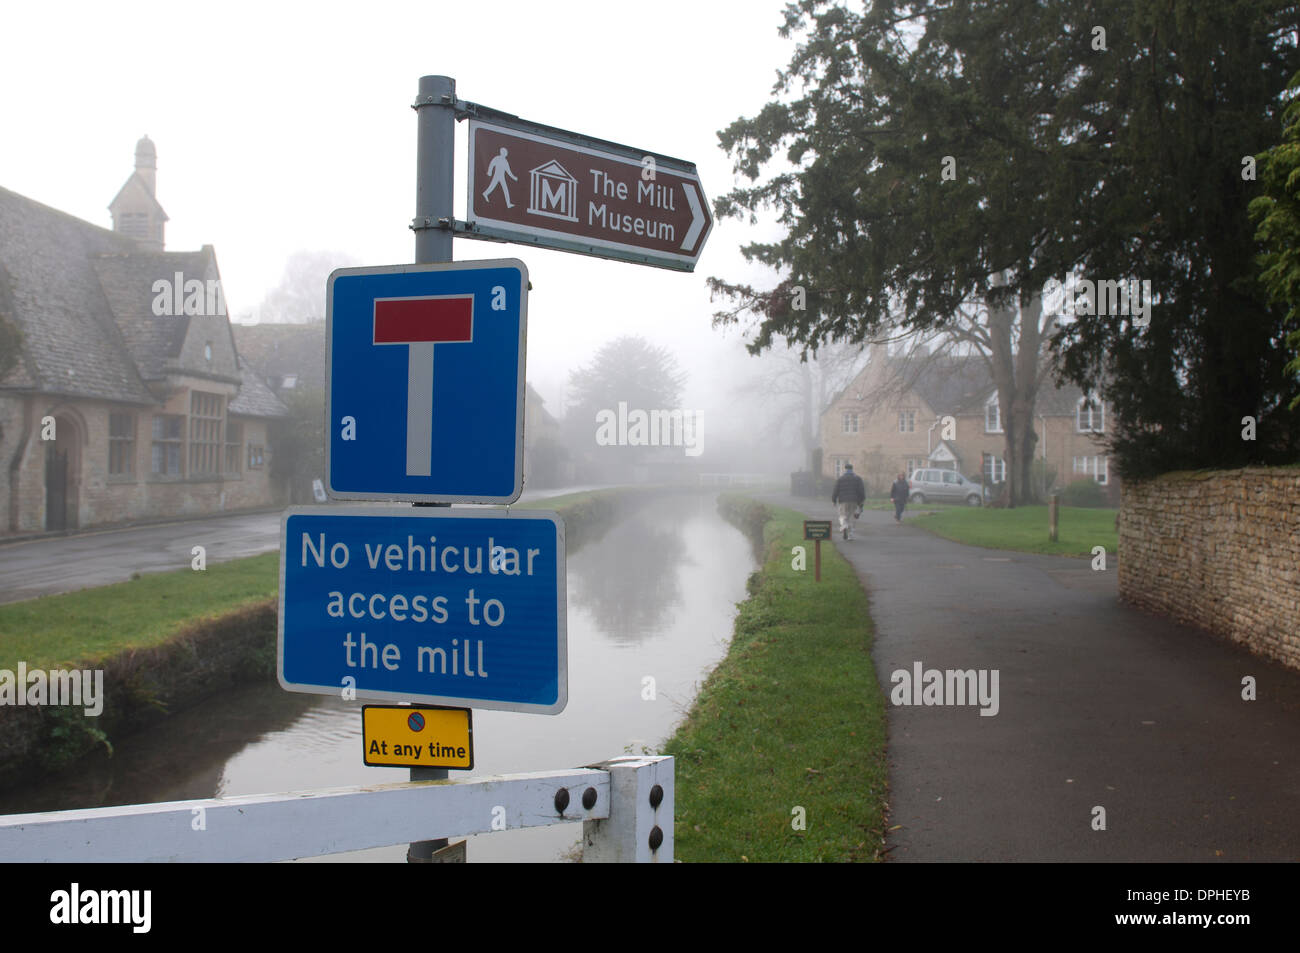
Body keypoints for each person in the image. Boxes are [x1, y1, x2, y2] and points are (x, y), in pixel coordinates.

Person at [831, 463, 867, 540]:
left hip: (843, 501)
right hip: (854, 501)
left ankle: (844, 526)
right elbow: (861, 491)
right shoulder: (858, 478)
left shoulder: (840, 479)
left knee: (842, 516)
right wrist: (861, 501)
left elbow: (836, 490)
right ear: (852, 469)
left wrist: (834, 500)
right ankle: (850, 535)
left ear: (845, 469)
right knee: (852, 518)